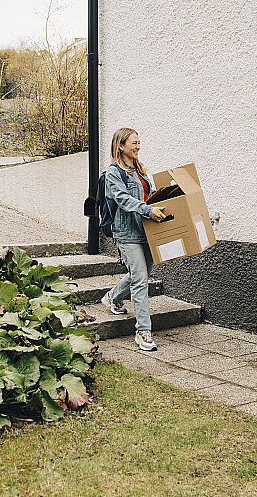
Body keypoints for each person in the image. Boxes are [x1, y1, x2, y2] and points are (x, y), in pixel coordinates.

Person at [101, 127, 166, 351]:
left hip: (146, 231)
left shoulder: (140, 170)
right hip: (127, 234)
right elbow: (123, 200)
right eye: (133, 143)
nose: (138, 147)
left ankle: (112, 297)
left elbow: (149, 195)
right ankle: (143, 332)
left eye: (139, 143)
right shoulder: (113, 173)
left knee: (142, 275)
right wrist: (148, 210)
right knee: (140, 280)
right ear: (121, 146)